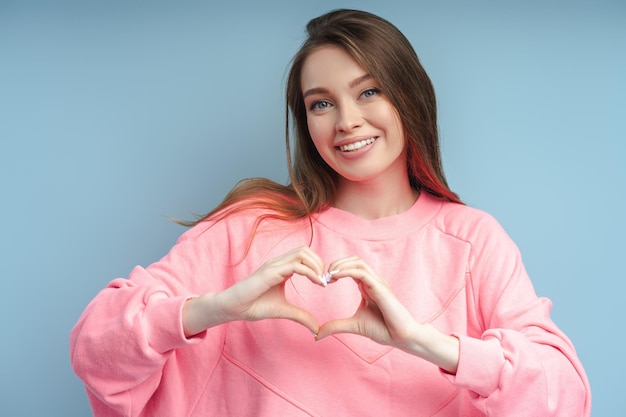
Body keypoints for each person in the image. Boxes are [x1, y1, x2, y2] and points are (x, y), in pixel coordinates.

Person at [70, 9, 591, 417]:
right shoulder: (251, 226)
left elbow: (562, 396)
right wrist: (213, 309)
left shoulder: (474, 241)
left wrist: (428, 343)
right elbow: (96, 347)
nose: (347, 120)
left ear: (408, 98)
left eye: (369, 91)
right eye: (321, 103)